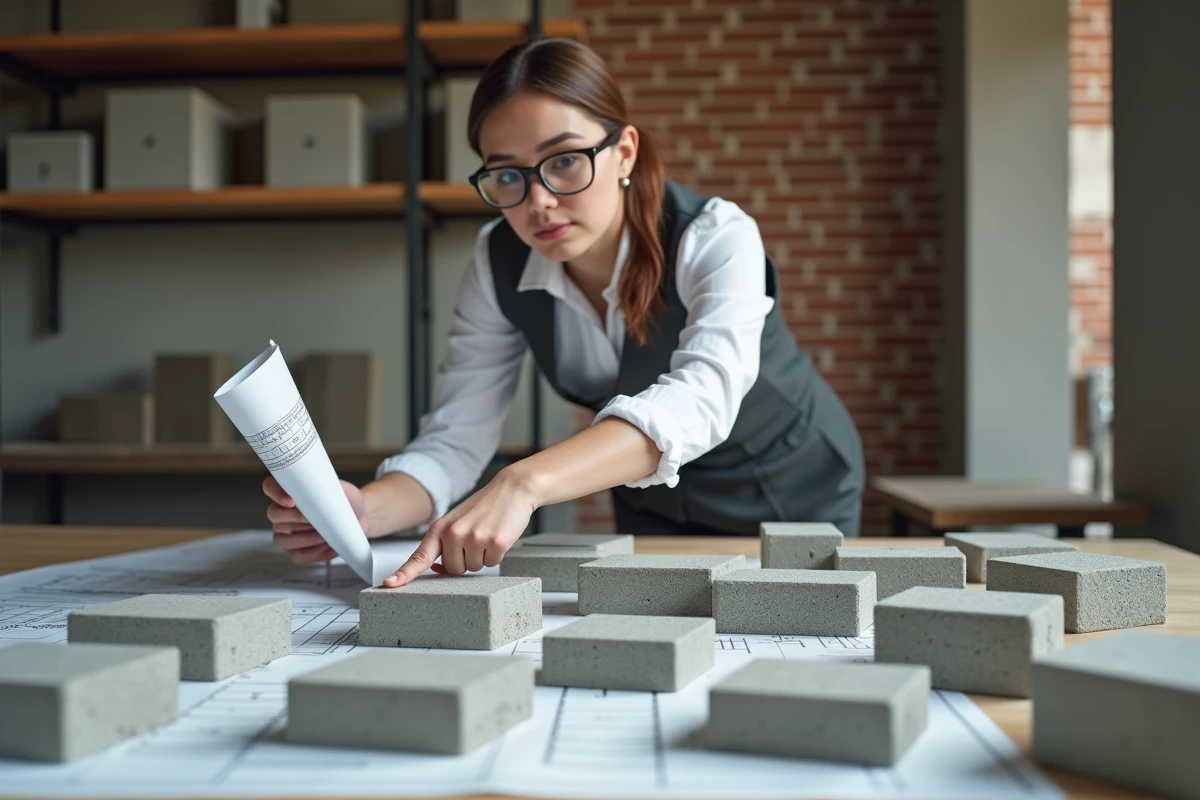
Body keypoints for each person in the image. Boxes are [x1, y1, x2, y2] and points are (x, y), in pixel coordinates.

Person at [264, 38, 864, 587]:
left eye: (566, 160)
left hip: (789, 486)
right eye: (507, 175)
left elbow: (701, 397)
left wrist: (525, 482)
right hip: (653, 503)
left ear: (624, 151)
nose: (539, 201)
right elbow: (456, 436)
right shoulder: (496, 261)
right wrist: (367, 510)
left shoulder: (714, 235)